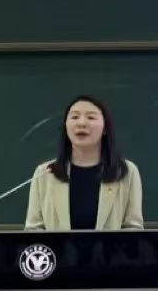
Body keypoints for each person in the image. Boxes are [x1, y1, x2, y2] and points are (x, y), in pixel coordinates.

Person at [25, 95, 143, 230]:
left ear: (105, 128)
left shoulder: (126, 172)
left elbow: (133, 229)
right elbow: (33, 229)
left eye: (91, 117)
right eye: (74, 117)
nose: (81, 123)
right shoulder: (45, 173)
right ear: (66, 126)